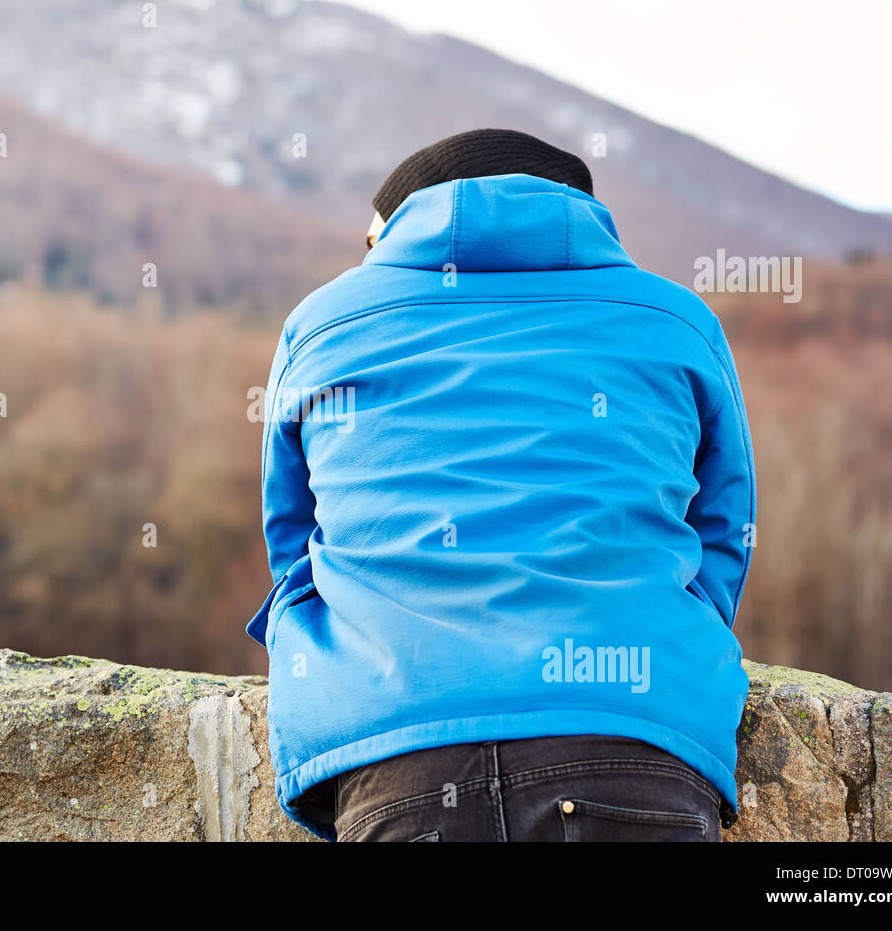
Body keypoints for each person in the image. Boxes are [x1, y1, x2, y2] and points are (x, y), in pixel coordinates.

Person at [249, 128, 755, 842]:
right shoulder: (676, 321)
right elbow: (725, 530)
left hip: (399, 755)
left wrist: (351, 663)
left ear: (394, 228)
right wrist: (660, 637)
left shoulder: (323, 323)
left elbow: (293, 543)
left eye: (372, 243)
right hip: (636, 741)